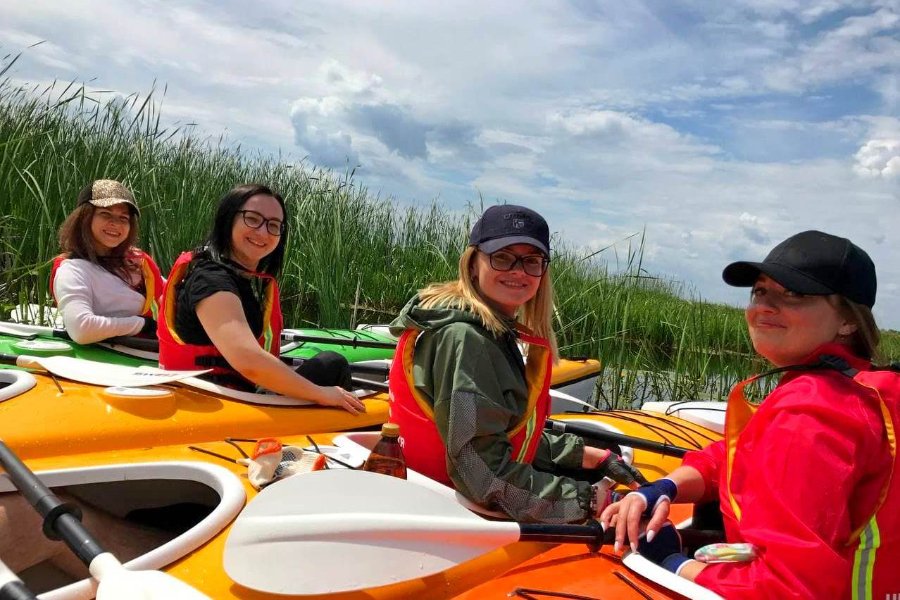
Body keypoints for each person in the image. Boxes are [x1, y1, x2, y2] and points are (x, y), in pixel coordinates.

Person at [601, 230, 899, 599]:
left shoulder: (809, 412)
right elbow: (740, 457)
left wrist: (670, 560)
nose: (765, 307)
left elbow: (786, 589)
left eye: (794, 294)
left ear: (848, 321)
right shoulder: (868, 388)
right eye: (760, 291)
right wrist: (665, 487)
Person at [389, 204, 646, 524]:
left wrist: (588, 455)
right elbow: (481, 476)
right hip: (449, 511)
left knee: (598, 449)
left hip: (445, 493)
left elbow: (498, 435)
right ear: (473, 264)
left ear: (542, 271)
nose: (518, 271)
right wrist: (590, 500)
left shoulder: (481, 328)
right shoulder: (466, 341)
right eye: (502, 257)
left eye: (531, 261)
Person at [157, 183, 365, 414]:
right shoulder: (210, 281)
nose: (263, 232)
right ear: (228, 219)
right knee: (332, 366)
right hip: (210, 405)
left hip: (237, 397)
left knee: (330, 364)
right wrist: (322, 394)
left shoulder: (242, 278)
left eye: (273, 225)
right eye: (252, 219)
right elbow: (248, 360)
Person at [51, 179, 164, 344]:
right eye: (105, 214)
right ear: (85, 218)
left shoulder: (136, 262)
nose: (115, 224)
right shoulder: (73, 270)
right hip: (111, 353)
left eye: (123, 218)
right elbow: (81, 330)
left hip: (149, 349)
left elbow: (169, 292)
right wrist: (142, 324)